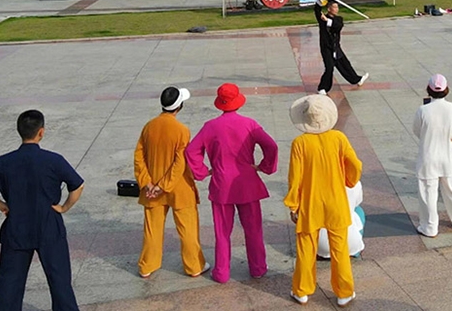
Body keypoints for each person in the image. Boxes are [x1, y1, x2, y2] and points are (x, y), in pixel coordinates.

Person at [0, 110, 84, 311]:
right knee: (60, 284)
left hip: (16, 229)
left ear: (19, 131)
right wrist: (64, 207)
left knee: (9, 287)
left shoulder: (1, 163)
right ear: (41, 132)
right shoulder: (54, 160)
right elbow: (77, 186)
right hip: (49, 226)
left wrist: (1, 204)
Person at [185, 83, 279, 283]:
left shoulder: (210, 127)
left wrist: (202, 171)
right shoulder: (250, 124)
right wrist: (264, 166)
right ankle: (258, 267)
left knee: (222, 231)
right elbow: (271, 145)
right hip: (247, 184)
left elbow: (191, 151)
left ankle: (222, 272)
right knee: (253, 229)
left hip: (221, 185)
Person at [285, 95, 362, 307]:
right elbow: (355, 165)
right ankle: (344, 292)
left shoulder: (299, 143)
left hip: (310, 203)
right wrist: (348, 180)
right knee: (340, 249)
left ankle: (302, 290)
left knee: (306, 248)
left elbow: (295, 177)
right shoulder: (338, 138)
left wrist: (293, 205)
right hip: (336, 202)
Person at [134, 87, 207, 279]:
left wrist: (147, 183)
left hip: (151, 190)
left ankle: (147, 265)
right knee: (188, 229)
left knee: (152, 229)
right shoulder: (182, 130)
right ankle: (194, 266)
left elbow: (139, 157)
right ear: (179, 106)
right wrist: (163, 185)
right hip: (179, 188)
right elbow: (179, 163)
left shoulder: (149, 126)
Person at [412, 74, 452, 237]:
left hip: (428, 157)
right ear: (446, 90)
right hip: (448, 157)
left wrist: (428, 138)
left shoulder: (423, 110)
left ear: (429, 90)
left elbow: (417, 130)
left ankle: (430, 226)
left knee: (428, 193)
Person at [314, 0, 369, 95]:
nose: (336, 9)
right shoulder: (322, 18)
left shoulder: (338, 19)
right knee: (329, 67)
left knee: (345, 65)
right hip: (326, 49)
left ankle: (357, 79)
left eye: (337, 7)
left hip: (336, 47)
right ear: (329, 8)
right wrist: (320, 0)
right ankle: (323, 88)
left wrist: (328, 21)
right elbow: (317, 10)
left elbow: (338, 26)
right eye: (334, 7)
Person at [318, 182, 366, 259]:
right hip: (349, 244)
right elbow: (358, 202)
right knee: (358, 210)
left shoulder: (316, 181)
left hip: (320, 246)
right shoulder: (354, 182)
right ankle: (355, 248)